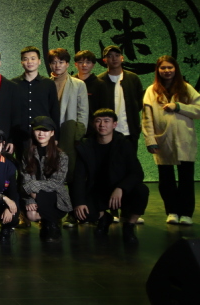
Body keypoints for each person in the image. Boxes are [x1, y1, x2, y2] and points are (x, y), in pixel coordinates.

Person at [72, 109, 149, 244]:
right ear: (93, 124)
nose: (102, 124)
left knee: (142, 190)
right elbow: (78, 176)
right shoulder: (85, 146)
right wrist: (79, 202)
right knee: (82, 213)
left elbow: (137, 173)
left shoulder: (124, 144)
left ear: (114, 124)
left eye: (106, 121)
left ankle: (129, 226)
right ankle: (104, 218)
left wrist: (121, 188)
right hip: (97, 191)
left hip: (119, 191)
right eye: (98, 121)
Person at [142, 56, 199, 226]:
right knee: (166, 179)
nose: (167, 71)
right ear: (158, 70)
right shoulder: (152, 90)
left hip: (184, 139)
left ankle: (186, 213)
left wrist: (179, 107)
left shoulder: (186, 88)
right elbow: (147, 118)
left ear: (176, 69)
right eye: (163, 68)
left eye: (170, 67)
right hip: (163, 140)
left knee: (186, 178)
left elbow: (198, 109)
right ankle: (172, 211)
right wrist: (150, 139)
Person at [20, 116, 72, 243]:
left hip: (55, 196)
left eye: (45, 130)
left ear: (52, 133)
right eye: (38, 130)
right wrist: (31, 198)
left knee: (47, 196)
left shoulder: (61, 156)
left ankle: (51, 224)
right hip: (32, 194)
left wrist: (34, 190)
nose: (41, 133)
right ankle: (50, 223)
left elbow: (56, 182)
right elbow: (25, 179)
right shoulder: (27, 154)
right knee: (31, 215)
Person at [47, 48, 89, 182]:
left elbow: (83, 111)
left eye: (61, 62)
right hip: (50, 131)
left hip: (69, 130)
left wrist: (79, 133)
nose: (57, 65)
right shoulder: (45, 83)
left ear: (67, 64)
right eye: (54, 62)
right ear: (50, 65)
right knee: (50, 167)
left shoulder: (78, 84)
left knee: (70, 168)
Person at [11, 46, 60, 156]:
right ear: (21, 62)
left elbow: (54, 111)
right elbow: (10, 113)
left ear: (39, 61)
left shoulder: (48, 84)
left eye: (33, 58)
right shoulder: (13, 84)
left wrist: (56, 136)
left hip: (43, 136)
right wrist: (10, 139)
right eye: (26, 59)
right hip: (20, 136)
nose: (29, 62)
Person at [95, 45, 144, 148]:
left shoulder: (133, 78)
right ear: (104, 60)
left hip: (130, 131)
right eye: (110, 56)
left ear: (122, 58)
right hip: (107, 133)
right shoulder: (99, 81)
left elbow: (139, 103)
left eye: (117, 55)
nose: (114, 58)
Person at [74, 50, 101, 114]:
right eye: (80, 62)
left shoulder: (99, 84)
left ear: (93, 65)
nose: (84, 65)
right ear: (76, 64)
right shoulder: (71, 82)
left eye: (88, 62)